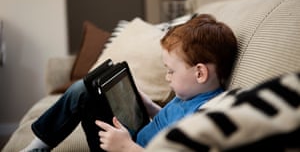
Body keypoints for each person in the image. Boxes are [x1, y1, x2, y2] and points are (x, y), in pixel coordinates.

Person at [21, 14, 238, 152]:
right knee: (85, 88)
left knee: (83, 91)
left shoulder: (203, 114)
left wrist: (126, 146)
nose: (167, 77)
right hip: (132, 136)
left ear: (199, 73)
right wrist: (149, 107)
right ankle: (40, 145)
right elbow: (168, 121)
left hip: (127, 147)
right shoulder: (188, 94)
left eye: (171, 71)